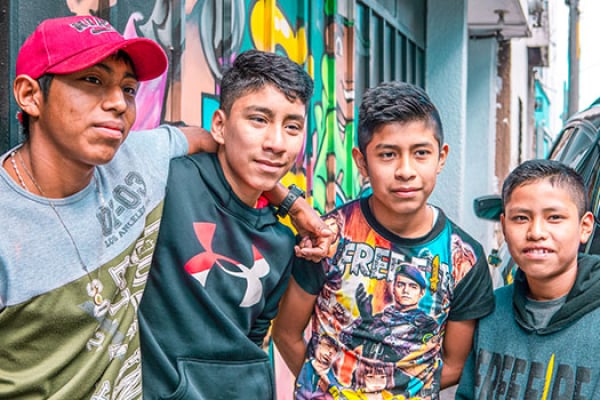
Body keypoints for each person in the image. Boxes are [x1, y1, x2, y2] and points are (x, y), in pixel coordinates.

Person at [0, 16, 329, 400]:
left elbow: (224, 146)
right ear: (30, 95)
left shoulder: (139, 161)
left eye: (128, 89)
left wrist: (291, 202)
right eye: (92, 80)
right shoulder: (164, 179)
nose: (118, 103)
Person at [272, 81, 495, 399]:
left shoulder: (464, 258)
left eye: (421, 153)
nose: (405, 171)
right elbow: (286, 333)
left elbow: (455, 364)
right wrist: (323, 390)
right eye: (388, 154)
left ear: (441, 157)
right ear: (362, 161)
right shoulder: (328, 236)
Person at [138, 49, 316, 399]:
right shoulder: (169, 184)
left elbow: (253, 341)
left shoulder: (281, 241)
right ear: (219, 125)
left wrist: (288, 202)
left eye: (292, 127)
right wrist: (291, 201)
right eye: (259, 120)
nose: (276, 143)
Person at [456, 159, 600, 399]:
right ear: (504, 226)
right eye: (521, 218)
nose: (536, 232)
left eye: (554, 217)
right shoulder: (490, 311)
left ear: (584, 227)